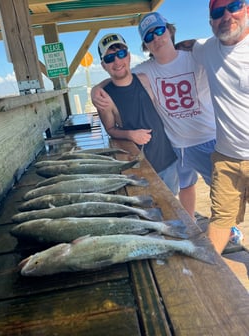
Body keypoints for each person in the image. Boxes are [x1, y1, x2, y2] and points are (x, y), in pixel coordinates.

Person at [92, 13, 216, 221]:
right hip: (173, 147)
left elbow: (221, 52)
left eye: (159, 31)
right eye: (149, 37)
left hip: (197, 143)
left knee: (223, 190)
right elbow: (120, 83)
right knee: (174, 194)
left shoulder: (192, 56)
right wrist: (96, 88)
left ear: (169, 31)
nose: (156, 38)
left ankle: (223, 225)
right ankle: (186, 225)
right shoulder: (141, 74)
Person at [191, 0, 249, 254]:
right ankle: (208, 277)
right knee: (220, 220)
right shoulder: (206, 49)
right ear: (211, 21)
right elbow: (186, 46)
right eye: (217, 12)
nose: (226, 15)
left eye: (234, 5)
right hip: (225, 158)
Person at [95, 33, 178, 194]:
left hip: (168, 159)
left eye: (121, 54)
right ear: (104, 65)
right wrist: (130, 135)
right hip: (139, 167)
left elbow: (168, 59)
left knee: (172, 207)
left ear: (129, 56)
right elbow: (110, 129)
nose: (117, 61)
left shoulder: (145, 78)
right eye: (110, 58)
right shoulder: (104, 97)